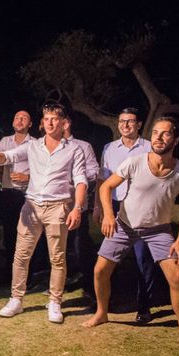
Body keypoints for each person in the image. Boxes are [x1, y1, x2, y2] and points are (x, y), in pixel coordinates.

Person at [82, 117, 179, 355]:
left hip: (159, 230)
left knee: (177, 276)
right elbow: (105, 187)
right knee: (100, 270)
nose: (158, 138)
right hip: (124, 224)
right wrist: (109, 215)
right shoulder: (135, 162)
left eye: (165, 134)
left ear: (176, 140)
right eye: (155, 133)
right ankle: (102, 312)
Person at [0, 103, 87, 323]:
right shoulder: (33, 146)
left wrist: (77, 208)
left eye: (54, 119)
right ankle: (16, 299)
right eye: (46, 119)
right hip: (32, 206)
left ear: (64, 123)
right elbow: (12, 155)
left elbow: (80, 180)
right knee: (21, 255)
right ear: (42, 122)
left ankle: (55, 302)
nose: (50, 122)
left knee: (58, 258)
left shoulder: (73, 150)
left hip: (58, 207)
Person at [94, 107, 155, 324]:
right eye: (121, 121)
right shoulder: (109, 148)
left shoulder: (149, 147)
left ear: (139, 124)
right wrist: (98, 207)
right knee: (109, 257)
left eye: (130, 121)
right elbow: (103, 179)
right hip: (115, 207)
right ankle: (108, 302)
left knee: (142, 259)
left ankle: (144, 306)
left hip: (141, 208)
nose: (125, 125)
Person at [0, 111, 34, 273]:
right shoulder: (4, 142)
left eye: (24, 118)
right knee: (9, 233)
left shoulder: (35, 144)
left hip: (27, 194)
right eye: (17, 117)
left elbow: (43, 169)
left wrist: (28, 177)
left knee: (28, 234)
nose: (20, 120)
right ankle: (10, 269)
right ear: (12, 123)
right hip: (8, 194)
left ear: (30, 124)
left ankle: (29, 270)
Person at [63, 116, 99, 299]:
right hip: (53, 206)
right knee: (57, 248)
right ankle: (61, 283)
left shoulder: (83, 146)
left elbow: (94, 171)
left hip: (77, 205)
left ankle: (89, 285)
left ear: (67, 123)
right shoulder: (44, 145)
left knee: (79, 246)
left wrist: (76, 176)